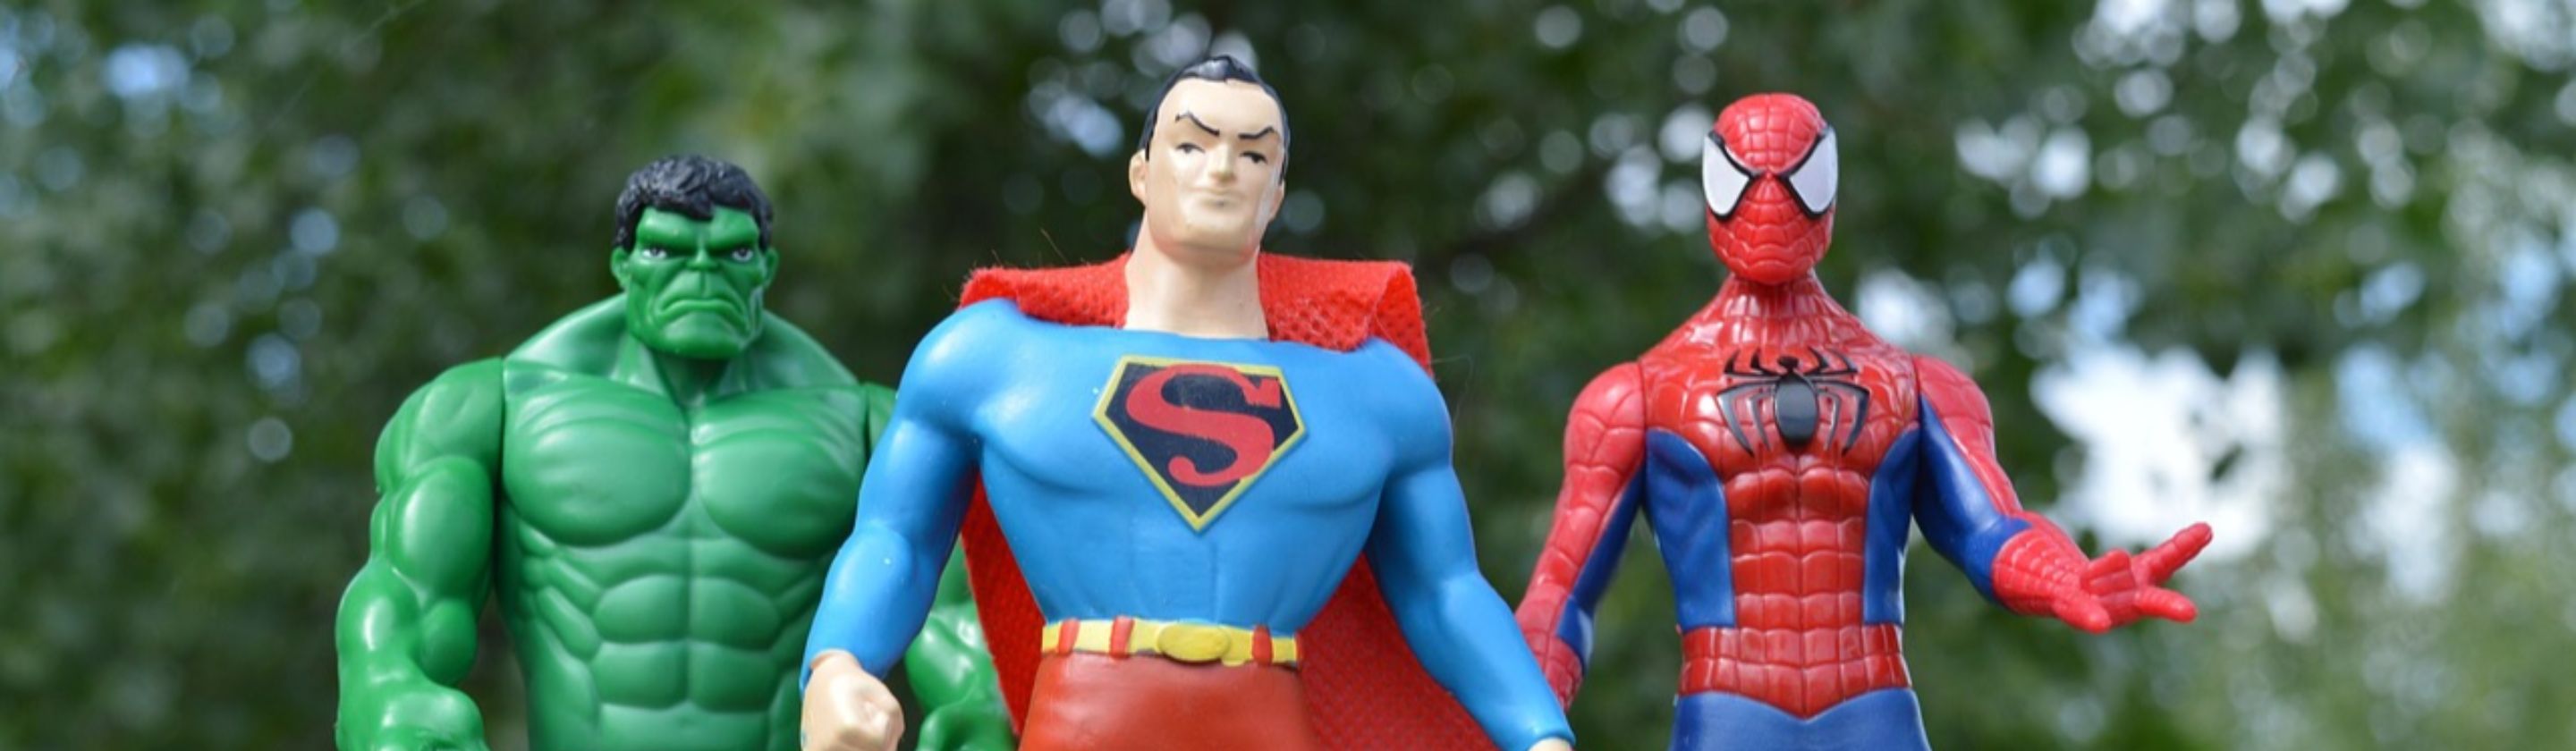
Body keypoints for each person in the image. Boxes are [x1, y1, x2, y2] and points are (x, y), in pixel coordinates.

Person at [799, 57, 1574, 751]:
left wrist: (1539, 733)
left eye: (1254, 154)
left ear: (1277, 194)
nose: (1222, 170)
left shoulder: (1374, 392)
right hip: (1087, 716)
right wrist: (837, 663)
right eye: (1193, 144)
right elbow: (897, 538)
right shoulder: (995, 357)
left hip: (1262, 715)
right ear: (1142, 172)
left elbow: (1444, 591)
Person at [1513, 93, 2214, 750]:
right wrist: (1519, 721)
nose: (1769, 202)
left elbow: (1989, 527)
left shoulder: (1913, 384)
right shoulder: (1638, 396)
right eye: (1743, 180)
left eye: (1797, 179)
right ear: (1712, 189)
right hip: (1727, 702)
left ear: (1828, 185)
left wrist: (2066, 577)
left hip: (1871, 700)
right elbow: (1561, 592)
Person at [334, 156, 1009, 751]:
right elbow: (403, 605)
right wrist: (392, 701)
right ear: (623, 265)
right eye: (667, 250)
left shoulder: (871, 427)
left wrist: (977, 719)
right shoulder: (489, 409)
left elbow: (960, 630)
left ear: (766, 268)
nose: (702, 274)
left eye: (732, 254)